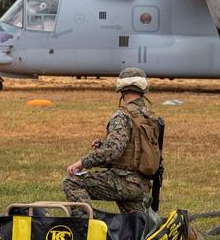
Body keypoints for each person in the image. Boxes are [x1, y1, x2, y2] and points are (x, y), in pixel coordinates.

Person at [63, 67, 161, 217]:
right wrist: (102, 147)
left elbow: (113, 151)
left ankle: (85, 228)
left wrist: (82, 163)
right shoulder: (150, 116)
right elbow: (135, 150)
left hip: (123, 182)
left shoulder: (122, 116)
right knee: (139, 227)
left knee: (72, 182)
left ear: (121, 88)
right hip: (141, 185)